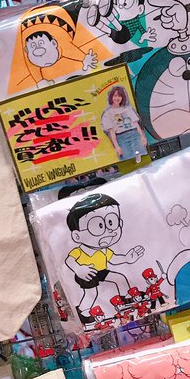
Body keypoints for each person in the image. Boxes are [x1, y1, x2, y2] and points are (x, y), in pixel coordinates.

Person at [64, 192, 144, 324]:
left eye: (111, 223)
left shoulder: (103, 250)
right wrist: (79, 269)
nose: (109, 231)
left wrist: (126, 258)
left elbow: (114, 259)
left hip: (100, 271)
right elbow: (69, 260)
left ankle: (127, 298)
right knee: (91, 293)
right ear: (77, 236)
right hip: (86, 274)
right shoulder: (80, 251)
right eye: (99, 226)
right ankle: (83, 311)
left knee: (119, 278)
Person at [101, 83, 148, 162]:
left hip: (135, 135)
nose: (117, 98)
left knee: (142, 158)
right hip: (121, 138)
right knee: (128, 160)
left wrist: (142, 137)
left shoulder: (128, 109)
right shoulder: (107, 114)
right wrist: (117, 146)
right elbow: (111, 132)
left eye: (120, 96)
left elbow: (136, 124)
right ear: (111, 97)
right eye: (115, 95)